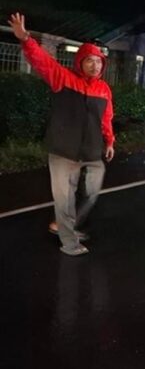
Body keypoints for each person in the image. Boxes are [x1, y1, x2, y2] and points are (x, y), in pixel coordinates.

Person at [8, 13, 115, 256]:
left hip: (90, 151)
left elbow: (106, 118)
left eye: (98, 61)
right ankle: (69, 243)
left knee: (91, 191)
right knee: (64, 198)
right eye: (89, 60)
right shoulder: (63, 79)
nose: (95, 65)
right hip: (63, 150)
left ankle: (66, 224)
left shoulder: (103, 89)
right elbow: (41, 61)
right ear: (80, 62)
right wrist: (25, 38)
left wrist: (109, 141)